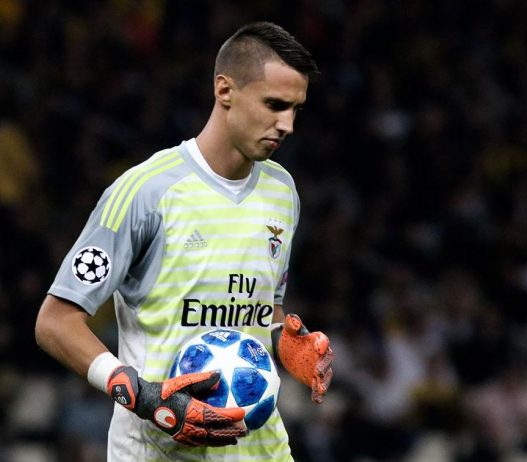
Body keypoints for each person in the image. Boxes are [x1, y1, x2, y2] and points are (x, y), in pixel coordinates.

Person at [35, 21, 334, 461]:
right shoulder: (145, 191)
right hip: (159, 450)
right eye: (274, 105)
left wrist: (285, 342)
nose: (287, 124)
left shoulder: (282, 191)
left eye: (295, 109)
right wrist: (142, 396)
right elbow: (55, 322)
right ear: (224, 90)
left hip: (261, 449)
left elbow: (263, 307)